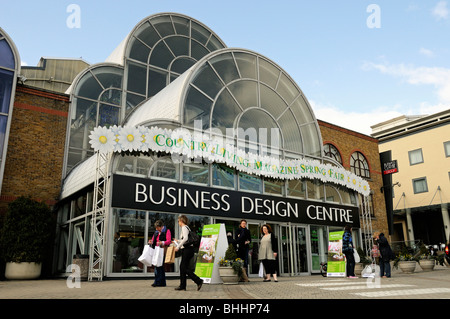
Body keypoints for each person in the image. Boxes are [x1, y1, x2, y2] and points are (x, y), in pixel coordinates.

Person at [173, 215, 203, 291]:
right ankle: (182, 285)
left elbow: (186, 238)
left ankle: (198, 280)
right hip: (188, 249)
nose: (178, 223)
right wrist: (178, 241)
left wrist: (178, 246)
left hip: (187, 250)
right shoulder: (187, 228)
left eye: (179, 221)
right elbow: (187, 239)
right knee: (183, 268)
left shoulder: (184, 227)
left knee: (184, 268)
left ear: (181, 221)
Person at [148, 220, 171, 287]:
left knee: (159, 266)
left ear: (161, 226)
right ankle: (161, 282)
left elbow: (169, 241)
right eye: (156, 228)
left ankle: (157, 282)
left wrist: (162, 242)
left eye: (158, 228)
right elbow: (153, 240)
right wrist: (151, 242)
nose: (156, 229)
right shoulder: (156, 232)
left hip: (162, 250)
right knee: (158, 266)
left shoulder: (167, 231)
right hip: (156, 250)